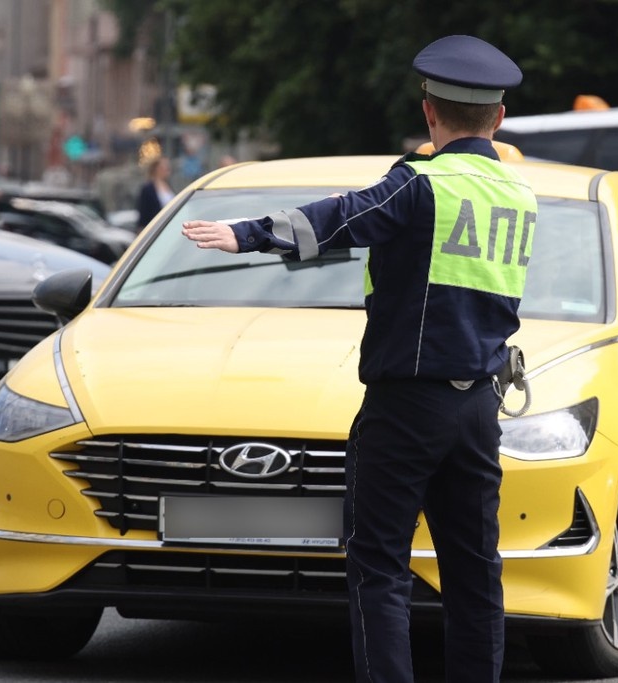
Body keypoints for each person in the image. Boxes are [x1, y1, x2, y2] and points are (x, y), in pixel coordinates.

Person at [181, 34, 536, 683]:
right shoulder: (519, 197)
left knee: (379, 567)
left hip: (407, 407)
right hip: (479, 408)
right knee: (475, 573)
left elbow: (345, 217)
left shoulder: (419, 184)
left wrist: (247, 233)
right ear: (499, 118)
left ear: (429, 111)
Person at [136, 156, 175, 228]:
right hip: (156, 226)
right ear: (157, 169)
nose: (167, 169)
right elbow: (144, 213)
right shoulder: (148, 189)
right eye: (164, 167)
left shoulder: (169, 185)